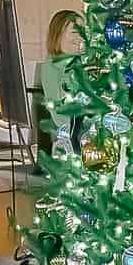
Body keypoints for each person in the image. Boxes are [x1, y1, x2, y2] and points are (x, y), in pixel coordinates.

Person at [33, 9, 85, 156]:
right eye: (74, 32)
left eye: (82, 31)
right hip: (72, 134)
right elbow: (58, 112)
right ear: (58, 35)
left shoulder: (83, 63)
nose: (81, 37)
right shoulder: (51, 66)